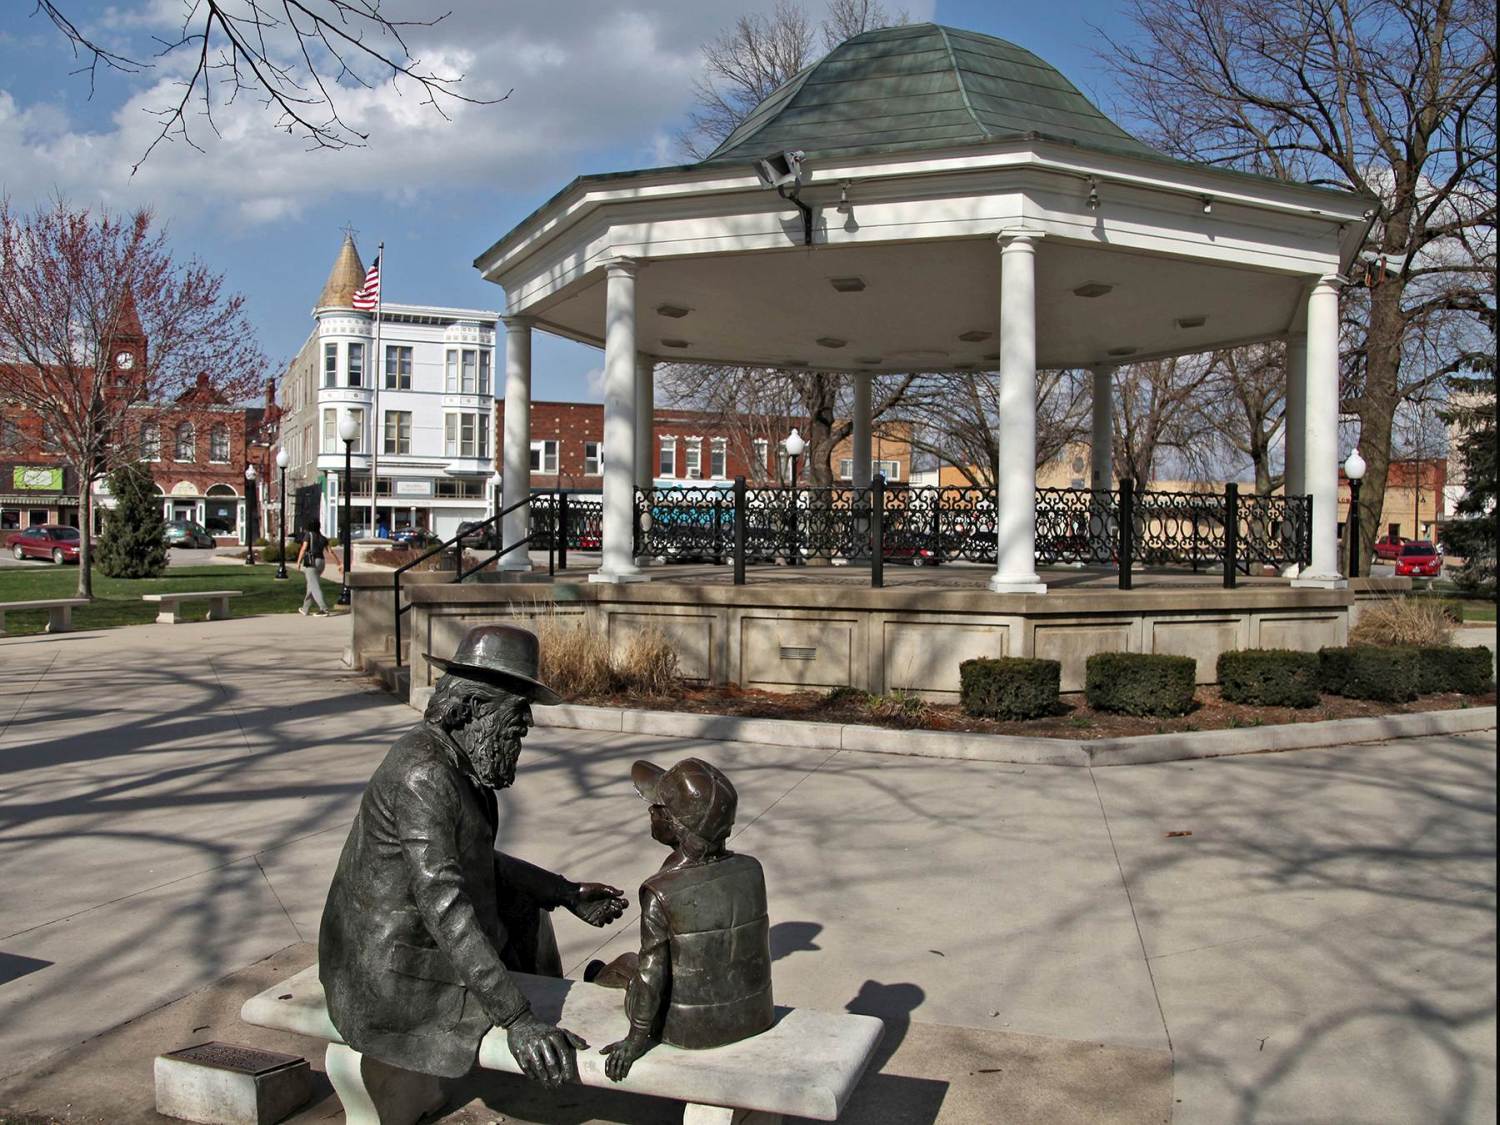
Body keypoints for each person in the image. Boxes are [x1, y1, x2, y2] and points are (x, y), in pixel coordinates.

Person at [319, 624, 629, 1087]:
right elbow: (446, 908)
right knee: (513, 915)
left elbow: (475, 858)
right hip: (387, 974)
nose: (525, 727)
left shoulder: (456, 762)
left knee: (528, 904)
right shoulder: (425, 776)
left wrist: (563, 892)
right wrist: (517, 1020)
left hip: (405, 939)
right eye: (518, 715)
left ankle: (549, 1009)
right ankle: (533, 1021)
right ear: (473, 709)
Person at [597, 757, 774, 1082]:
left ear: (675, 823)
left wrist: (634, 1041)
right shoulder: (752, 870)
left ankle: (600, 974)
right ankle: (606, 971)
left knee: (631, 968)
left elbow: (652, 977)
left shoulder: (660, 892)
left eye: (657, 807)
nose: (650, 811)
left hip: (690, 1031)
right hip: (754, 1015)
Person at [293, 516, 339, 616]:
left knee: (314, 586)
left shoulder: (308, 535)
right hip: (321, 562)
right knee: (311, 585)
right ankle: (305, 608)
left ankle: (324, 609)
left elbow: (304, 548)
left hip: (311, 562)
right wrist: (338, 562)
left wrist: (298, 562)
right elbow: (330, 551)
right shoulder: (323, 538)